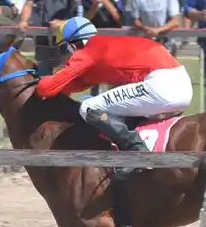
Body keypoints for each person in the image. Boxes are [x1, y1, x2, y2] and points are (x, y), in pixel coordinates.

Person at [29, 18, 194, 155]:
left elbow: (46, 89)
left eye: (64, 49)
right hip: (179, 84)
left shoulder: (87, 51)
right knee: (98, 104)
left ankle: (134, 148)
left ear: (72, 45)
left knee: (88, 107)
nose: (66, 57)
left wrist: (40, 78)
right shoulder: (102, 47)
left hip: (162, 86)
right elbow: (73, 85)